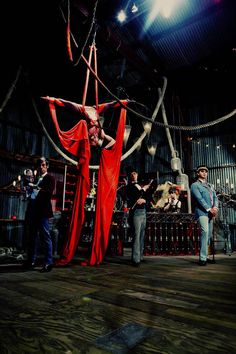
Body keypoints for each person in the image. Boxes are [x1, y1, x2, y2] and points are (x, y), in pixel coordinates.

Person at [23, 157, 55, 272]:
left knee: (46, 237)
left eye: (43, 165)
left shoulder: (50, 178)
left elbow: (48, 194)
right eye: (39, 165)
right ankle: (31, 260)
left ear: (47, 166)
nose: (41, 167)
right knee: (32, 237)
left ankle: (48, 263)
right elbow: (31, 194)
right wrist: (28, 190)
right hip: (33, 211)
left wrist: (37, 188)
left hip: (42, 212)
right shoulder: (35, 178)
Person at [191, 165, 218, 266]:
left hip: (211, 213)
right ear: (198, 173)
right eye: (202, 171)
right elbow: (199, 199)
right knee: (205, 232)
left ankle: (206, 256)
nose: (204, 173)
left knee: (209, 235)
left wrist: (215, 208)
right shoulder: (195, 185)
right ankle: (202, 258)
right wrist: (209, 209)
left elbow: (215, 198)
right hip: (202, 212)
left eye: (205, 171)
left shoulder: (210, 186)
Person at [125, 169, 152, 266]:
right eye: (132, 173)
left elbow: (148, 197)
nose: (134, 175)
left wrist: (145, 199)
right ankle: (135, 259)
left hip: (143, 211)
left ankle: (140, 256)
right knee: (136, 235)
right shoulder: (129, 187)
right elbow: (134, 197)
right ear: (130, 176)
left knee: (142, 235)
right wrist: (143, 190)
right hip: (135, 212)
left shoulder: (139, 185)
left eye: (135, 173)